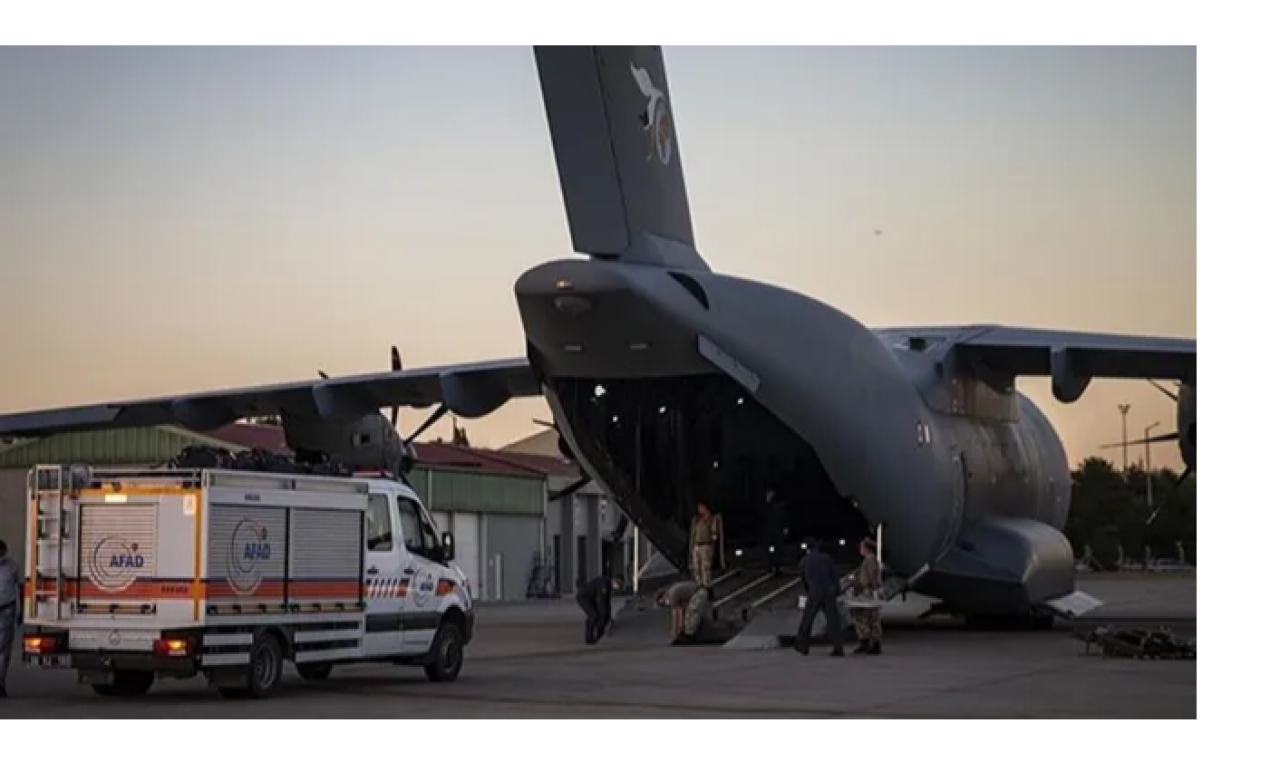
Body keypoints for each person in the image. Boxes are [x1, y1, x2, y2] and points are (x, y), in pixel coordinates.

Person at [794, 537, 845, 657]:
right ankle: (838, 647)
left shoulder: (804, 561)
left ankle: (803, 645)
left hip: (814, 591)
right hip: (829, 591)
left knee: (807, 619)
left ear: (807, 548)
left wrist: (809, 591)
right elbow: (834, 575)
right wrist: (837, 590)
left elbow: (804, 579)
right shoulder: (826, 558)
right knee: (833, 620)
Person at [850, 538, 884, 654]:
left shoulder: (870, 561)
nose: (860, 549)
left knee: (866, 617)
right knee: (868, 617)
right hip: (868, 590)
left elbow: (872, 577)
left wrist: (873, 589)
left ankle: (869, 642)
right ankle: (870, 642)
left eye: (862, 547)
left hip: (868, 591)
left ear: (866, 548)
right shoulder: (870, 560)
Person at [575, 573, 621, 645]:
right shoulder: (604, 584)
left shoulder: (608, 586)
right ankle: (589, 638)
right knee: (594, 615)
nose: (618, 586)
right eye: (618, 583)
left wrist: (608, 616)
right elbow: (602, 602)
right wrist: (604, 617)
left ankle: (595, 632)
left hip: (591, 598)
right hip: (583, 598)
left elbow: (607, 602)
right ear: (613, 580)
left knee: (599, 616)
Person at [0, 539, 21, 698]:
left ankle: (0, 682)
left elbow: (20, 588)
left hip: (6, 609)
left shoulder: (12, 566)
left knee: (3, 649)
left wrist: (22, 612)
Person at [688, 501, 722, 587]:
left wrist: (713, 546)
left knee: (705, 568)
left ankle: (707, 587)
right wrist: (691, 547)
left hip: (706, 546)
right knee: (696, 568)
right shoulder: (696, 520)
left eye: (702, 507)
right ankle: (699, 585)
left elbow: (714, 533)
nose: (700, 509)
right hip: (697, 545)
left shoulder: (711, 519)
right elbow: (693, 534)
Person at [761, 488, 787, 575]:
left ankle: (777, 567)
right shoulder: (765, 505)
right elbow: (762, 515)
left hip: (777, 530)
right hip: (768, 531)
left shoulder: (779, 505)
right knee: (767, 550)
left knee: (778, 550)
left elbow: (783, 517)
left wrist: (785, 527)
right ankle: (768, 567)